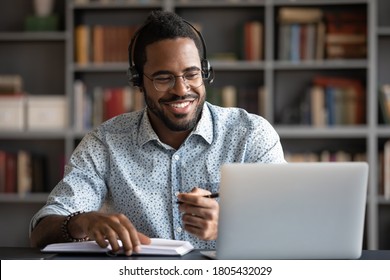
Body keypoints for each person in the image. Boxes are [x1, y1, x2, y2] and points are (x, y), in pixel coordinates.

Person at [30, 10, 286, 256]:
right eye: (163, 78)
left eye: (191, 74)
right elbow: (41, 230)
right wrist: (82, 222)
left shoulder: (251, 134)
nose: (181, 89)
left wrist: (231, 225)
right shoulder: (105, 143)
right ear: (139, 82)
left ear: (204, 72)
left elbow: (289, 222)